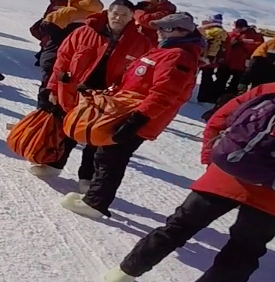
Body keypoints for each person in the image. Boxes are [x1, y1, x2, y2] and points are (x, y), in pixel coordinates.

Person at [104, 82, 275, 282]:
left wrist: (211, 160)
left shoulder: (268, 89)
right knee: (244, 250)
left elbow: (219, 118)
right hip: (271, 198)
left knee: (178, 226)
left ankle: (124, 274)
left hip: (227, 172)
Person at [60, 12, 204, 219]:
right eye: (160, 28)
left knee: (112, 158)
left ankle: (95, 203)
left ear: (183, 31)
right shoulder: (163, 51)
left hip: (138, 117)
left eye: (167, 28)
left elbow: (164, 94)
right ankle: (94, 197)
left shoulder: (178, 56)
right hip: (124, 111)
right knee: (105, 154)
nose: (161, 32)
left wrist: (136, 120)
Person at [32, 0, 152, 190]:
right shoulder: (84, 32)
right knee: (68, 128)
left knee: (96, 137)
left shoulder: (141, 43)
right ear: (108, 13)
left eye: (124, 15)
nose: (118, 18)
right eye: (115, 13)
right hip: (75, 90)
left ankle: (86, 179)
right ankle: (53, 165)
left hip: (108, 98)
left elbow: (140, 75)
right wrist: (54, 87)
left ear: (132, 18)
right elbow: (63, 59)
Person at [33, 0, 104, 91]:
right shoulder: (101, 15)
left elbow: (45, 27)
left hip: (57, 53)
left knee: (49, 87)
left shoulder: (68, 11)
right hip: (85, 60)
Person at [218, 19, 263, 98]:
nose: (239, 29)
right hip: (227, 62)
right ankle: (218, 96)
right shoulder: (231, 34)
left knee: (235, 83)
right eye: (237, 27)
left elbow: (257, 45)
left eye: (241, 27)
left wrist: (242, 43)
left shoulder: (254, 35)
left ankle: (229, 98)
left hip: (241, 64)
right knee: (220, 80)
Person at [31, 0, 71, 66]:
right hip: (60, 26)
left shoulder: (54, 3)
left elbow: (47, 14)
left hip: (50, 25)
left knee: (46, 42)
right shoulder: (68, 5)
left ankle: (41, 58)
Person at [196, 15, 228, 103]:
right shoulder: (221, 31)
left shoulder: (214, 31)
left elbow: (213, 45)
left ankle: (202, 97)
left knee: (203, 76)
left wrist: (210, 57)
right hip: (211, 58)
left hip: (206, 58)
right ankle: (203, 96)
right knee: (206, 77)